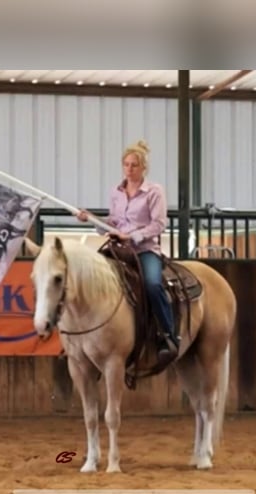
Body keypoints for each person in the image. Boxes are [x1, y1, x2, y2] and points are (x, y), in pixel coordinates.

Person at [76, 140, 179, 363]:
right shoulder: (116, 191)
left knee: (152, 284)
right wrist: (92, 219)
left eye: (134, 165)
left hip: (145, 250)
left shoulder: (154, 191)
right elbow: (113, 221)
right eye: (126, 164)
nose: (129, 169)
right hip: (118, 248)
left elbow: (159, 224)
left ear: (143, 168)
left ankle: (168, 335)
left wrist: (131, 236)